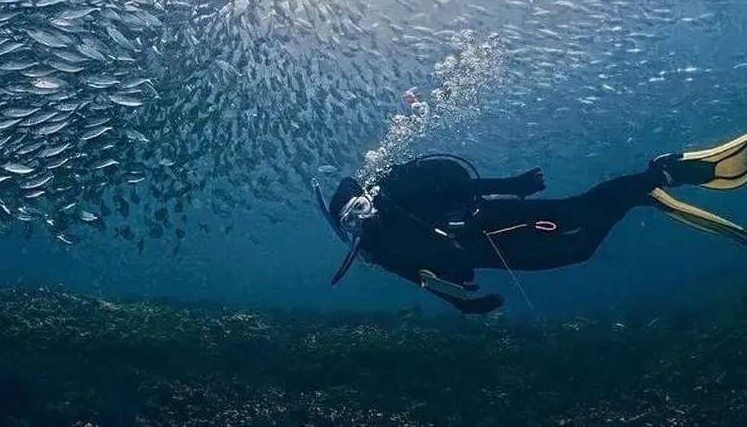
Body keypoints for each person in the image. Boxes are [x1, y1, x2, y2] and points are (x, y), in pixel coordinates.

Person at [315, 131, 747, 314]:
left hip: (489, 220)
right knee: (578, 250)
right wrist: (461, 304)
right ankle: (641, 195)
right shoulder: (372, 248)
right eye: (349, 221)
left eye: (356, 211)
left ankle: (663, 173)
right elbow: (417, 278)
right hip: (486, 254)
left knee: (575, 213)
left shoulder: (393, 202)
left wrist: (514, 186)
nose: (357, 221)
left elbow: (453, 193)